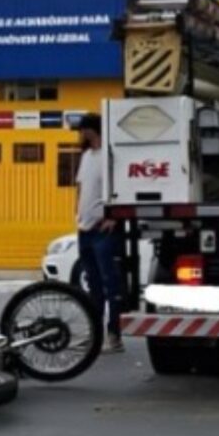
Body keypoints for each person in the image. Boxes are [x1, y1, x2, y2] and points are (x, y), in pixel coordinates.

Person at [74, 113, 125, 353]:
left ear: (91, 130)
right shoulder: (86, 156)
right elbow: (82, 187)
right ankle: (95, 334)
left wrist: (114, 216)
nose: (80, 133)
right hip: (85, 228)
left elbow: (120, 186)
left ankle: (114, 335)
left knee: (109, 284)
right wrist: (77, 214)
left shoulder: (109, 155)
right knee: (93, 285)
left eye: (82, 129)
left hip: (103, 230)